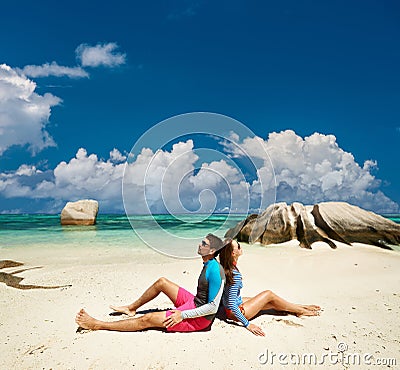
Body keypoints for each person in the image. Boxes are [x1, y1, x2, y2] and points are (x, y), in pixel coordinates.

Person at [75, 234, 225, 333]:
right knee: (162, 282)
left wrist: (183, 314)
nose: (199, 244)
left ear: (212, 250)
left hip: (200, 319)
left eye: (204, 243)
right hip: (194, 301)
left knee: (147, 319)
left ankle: (97, 324)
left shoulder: (215, 270)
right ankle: (130, 308)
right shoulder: (208, 263)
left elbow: (212, 307)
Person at [219, 238, 321, 336]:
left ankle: (299, 307)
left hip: (233, 306)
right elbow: (232, 304)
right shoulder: (234, 275)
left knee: (272, 302)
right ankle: (301, 311)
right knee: (268, 294)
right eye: (239, 247)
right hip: (236, 311)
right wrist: (248, 324)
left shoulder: (225, 267)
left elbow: (225, 295)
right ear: (233, 253)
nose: (241, 248)